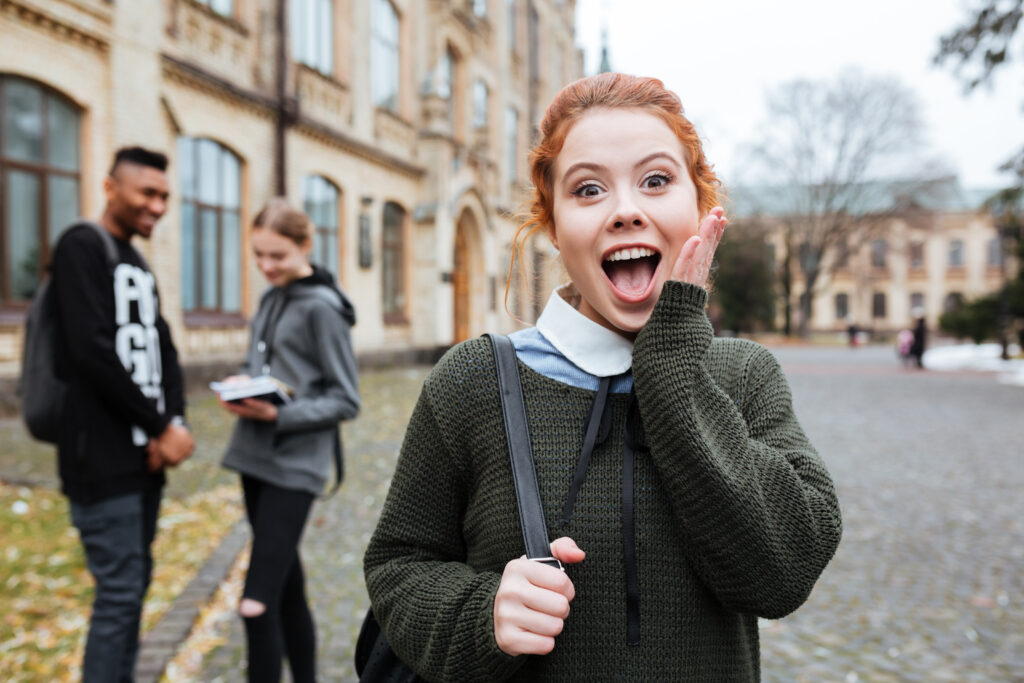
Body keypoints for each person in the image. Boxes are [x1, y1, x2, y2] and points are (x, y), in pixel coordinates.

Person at [364, 73, 842, 681]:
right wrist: (484, 613)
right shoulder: (474, 381)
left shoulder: (745, 376)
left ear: (700, 207)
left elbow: (783, 573)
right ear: (554, 226)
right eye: (588, 189)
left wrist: (670, 362)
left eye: (656, 181)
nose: (626, 211)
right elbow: (399, 563)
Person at [51, 146, 195, 681]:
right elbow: (90, 351)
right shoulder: (81, 247)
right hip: (101, 459)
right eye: (147, 193)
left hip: (147, 461)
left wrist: (173, 423)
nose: (157, 206)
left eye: (164, 197)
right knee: (118, 595)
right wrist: (158, 425)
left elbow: (165, 352)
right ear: (111, 188)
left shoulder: (135, 261)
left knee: (132, 591)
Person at [217, 199, 360, 683]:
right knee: (285, 591)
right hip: (253, 457)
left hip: (296, 468)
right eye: (258, 255)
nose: (265, 266)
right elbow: (264, 367)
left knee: (256, 604)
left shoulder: (324, 310)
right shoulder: (271, 297)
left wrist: (278, 413)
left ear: (305, 246)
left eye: (276, 255)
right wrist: (243, 385)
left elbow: (346, 400)